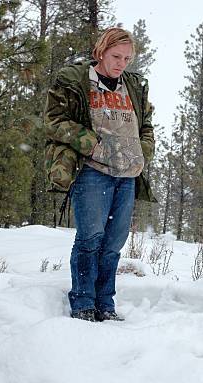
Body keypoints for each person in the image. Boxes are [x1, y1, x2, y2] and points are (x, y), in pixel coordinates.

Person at [43, 28, 156, 322]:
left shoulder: (133, 86)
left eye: (127, 58)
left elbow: (146, 126)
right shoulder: (76, 81)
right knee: (90, 237)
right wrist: (89, 143)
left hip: (128, 174)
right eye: (116, 56)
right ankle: (83, 303)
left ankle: (105, 303)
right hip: (93, 171)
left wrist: (142, 153)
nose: (121, 63)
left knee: (114, 243)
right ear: (101, 51)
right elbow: (53, 121)